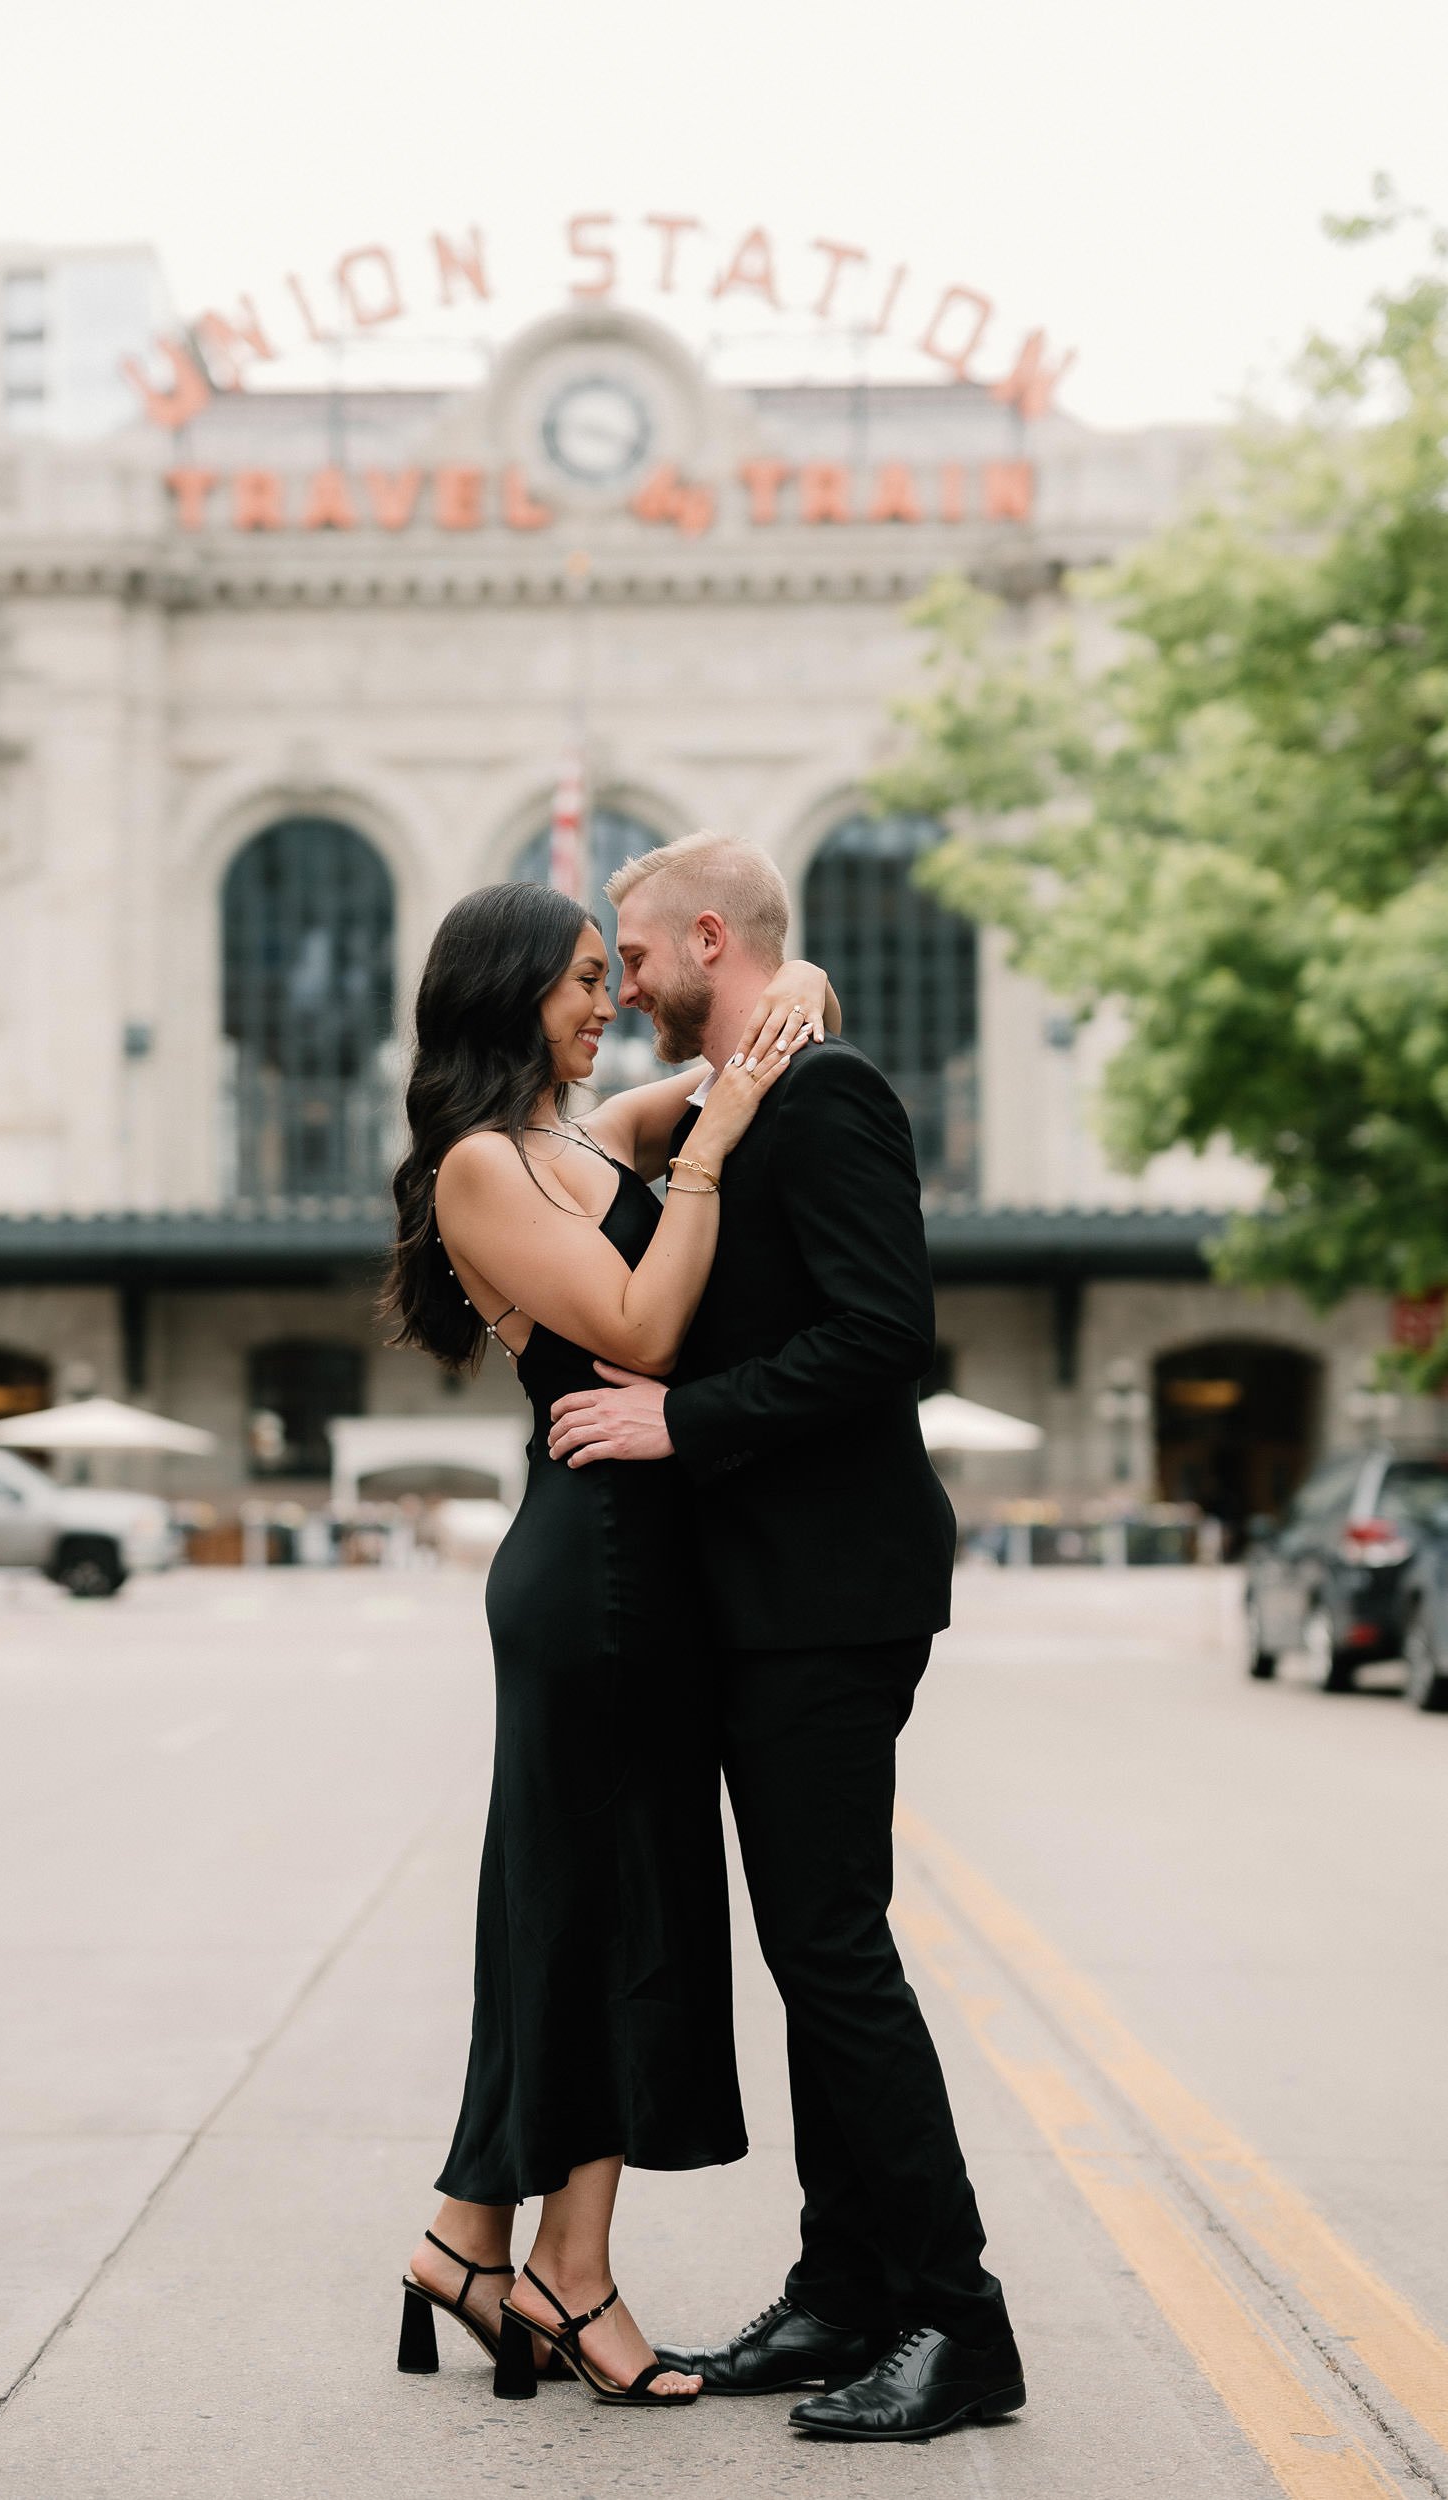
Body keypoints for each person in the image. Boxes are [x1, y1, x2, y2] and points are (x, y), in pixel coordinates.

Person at [545, 832, 1026, 2445]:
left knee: (833, 1951)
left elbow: (884, 1334)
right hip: (765, 1600)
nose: (621, 986)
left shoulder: (831, 1099)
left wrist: (687, 1421)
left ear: (703, 937)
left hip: (834, 1592)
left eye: (634, 951)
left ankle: (961, 2326)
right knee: (811, 1952)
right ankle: (843, 2289)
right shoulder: (741, 1095)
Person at [382, 878, 837, 2411]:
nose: (606, 1003)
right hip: (588, 1578)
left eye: (608, 974)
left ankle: (469, 2236)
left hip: (653, 1572)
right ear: (508, 991)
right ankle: (567, 2277)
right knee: (598, 1916)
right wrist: (706, 1143)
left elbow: (735, 1060)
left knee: (595, 1907)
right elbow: (636, 1329)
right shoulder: (482, 1168)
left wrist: (800, 983)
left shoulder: (584, 1136)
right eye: (582, 981)